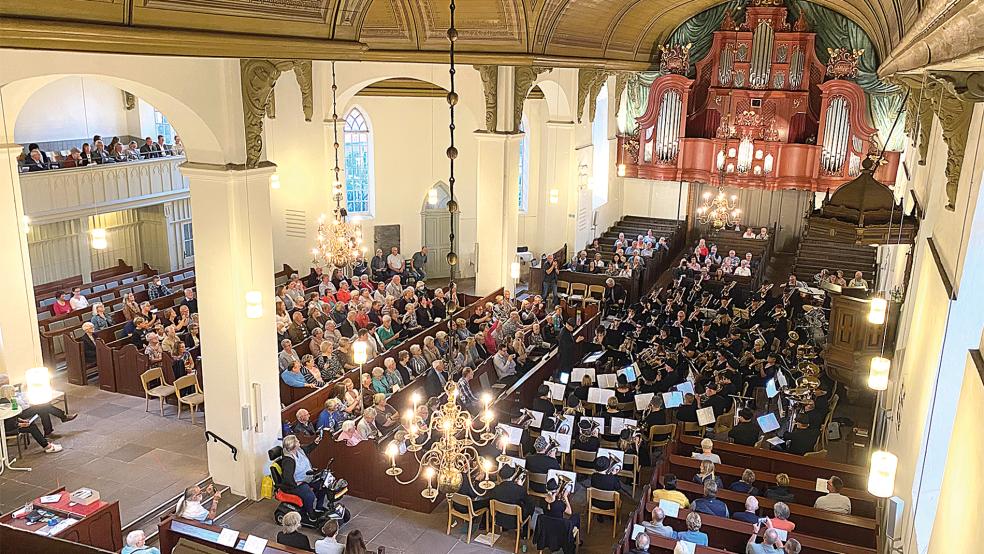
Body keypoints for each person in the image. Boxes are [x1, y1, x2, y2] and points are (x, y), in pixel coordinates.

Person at [280, 434, 327, 524]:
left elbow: (308, 448)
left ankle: (318, 508)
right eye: (297, 441)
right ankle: (310, 514)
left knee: (323, 485)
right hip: (296, 483)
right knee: (310, 496)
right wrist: (296, 484)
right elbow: (287, 478)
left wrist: (315, 443)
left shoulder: (299, 450)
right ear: (293, 446)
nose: (299, 441)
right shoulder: (288, 460)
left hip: (307, 477)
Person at [491, 465, 534, 532]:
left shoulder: (495, 489)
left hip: (500, 520)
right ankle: (525, 532)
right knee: (531, 504)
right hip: (515, 522)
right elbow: (527, 501)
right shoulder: (519, 489)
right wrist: (519, 487)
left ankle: (505, 528)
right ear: (512, 476)